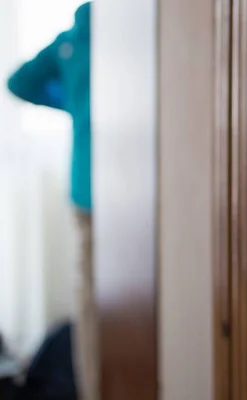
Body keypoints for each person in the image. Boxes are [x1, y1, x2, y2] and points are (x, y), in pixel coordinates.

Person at [6, 3, 97, 400]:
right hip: (115, 194)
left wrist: (74, 104)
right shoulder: (121, 35)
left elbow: (21, 82)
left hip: (87, 190)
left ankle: (96, 387)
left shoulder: (74, 40)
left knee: (94, 306)